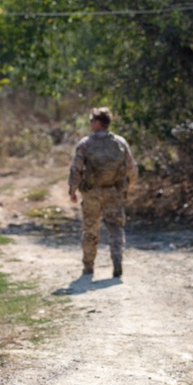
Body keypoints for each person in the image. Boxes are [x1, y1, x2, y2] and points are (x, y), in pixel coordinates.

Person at [68, 107, 138, 277]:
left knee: (90, 229)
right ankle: (117, 260)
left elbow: (76, 169)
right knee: (115, 228)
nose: (90, 124)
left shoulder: (85, 143)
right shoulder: (120, 142)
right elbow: (131, 167)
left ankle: (88, 266)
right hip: (114, 192)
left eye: (92, 121)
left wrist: (73, 190)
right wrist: (130, 186)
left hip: (91, 193)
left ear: (98, 123)